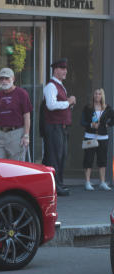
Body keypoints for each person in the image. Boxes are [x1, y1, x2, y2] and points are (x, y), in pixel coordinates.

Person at [42, 58, 76, 196]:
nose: (65, 71)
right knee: (54, 157)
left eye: (65, 68)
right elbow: (51, 105)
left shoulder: (60, 85)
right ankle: (55, 186)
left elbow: (60, 105)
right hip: (54, 127)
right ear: (55, 70)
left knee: (61, 156)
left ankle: (58, 184)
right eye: (62, 68)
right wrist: (68, 102)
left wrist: (69, 104)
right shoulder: (51, 86)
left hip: (60, 127)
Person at [0, 67, 33, 161]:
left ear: (13, 79)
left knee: (16, 166)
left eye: (7, 78)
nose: (4, 81)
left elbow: (27, 115)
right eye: (2, 78)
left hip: (16, 133)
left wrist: (26, 135)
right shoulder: (0, 95)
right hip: (1, 134)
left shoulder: (22, 93)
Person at [80, 88, 114, 191]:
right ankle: (87, 182)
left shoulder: (107, 108)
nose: (97, 95)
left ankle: (102, 182)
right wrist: (90, 124)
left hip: (103, 137)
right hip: (90, 136)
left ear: (102, 96)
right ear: (93, 95)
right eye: (95, 94)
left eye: (99, 94)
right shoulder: (88, 108)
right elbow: (82, 122)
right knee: (88, 159)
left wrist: (108, 124)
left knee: (102, 160)